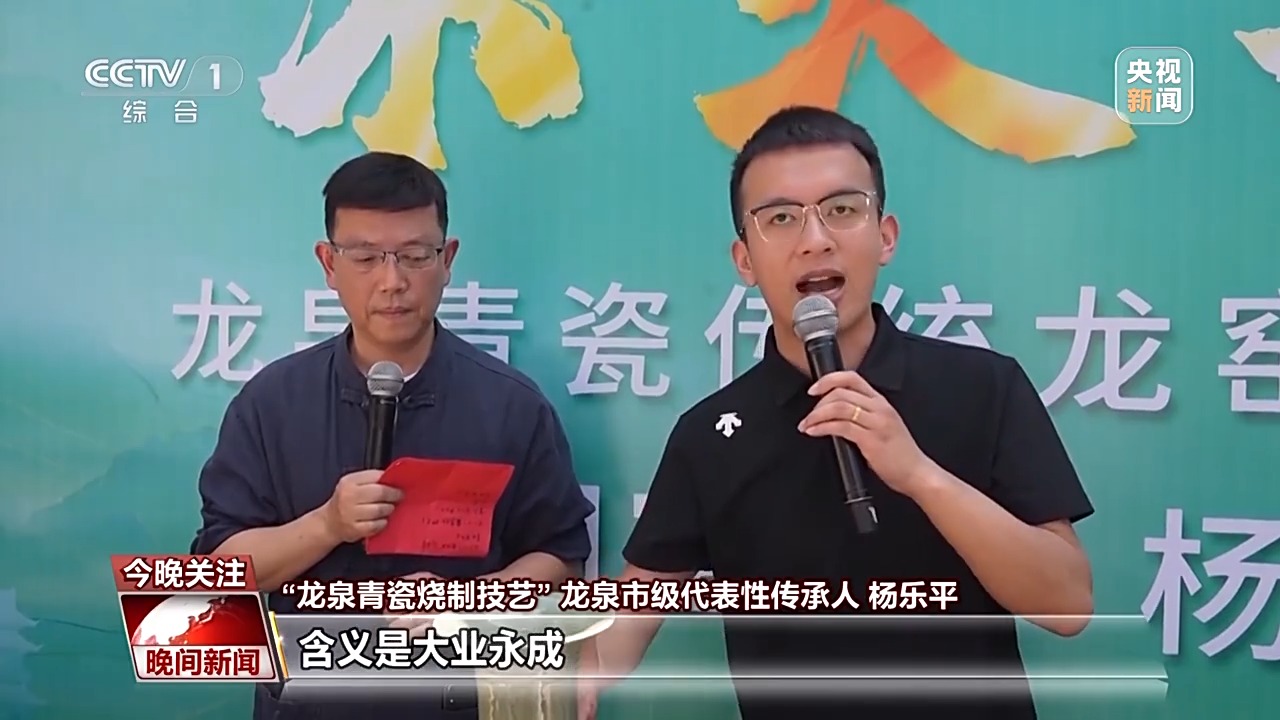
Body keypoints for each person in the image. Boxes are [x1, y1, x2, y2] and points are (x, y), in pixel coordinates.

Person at [578, 107, 1095, 720]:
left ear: (885, 235)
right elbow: (628, 617)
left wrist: (918, 475)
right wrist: (555, 670)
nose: (815, 239)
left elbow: (1068, 604)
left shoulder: (984, 387)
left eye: (843, 209)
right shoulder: (710, 435)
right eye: (780, 218)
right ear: (745, 260)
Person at [191, 151, 595, 720]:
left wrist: (473, 601)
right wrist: (326, 524)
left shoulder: (511, 406)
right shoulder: (271, 403)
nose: (392, 281)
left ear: (447, 259)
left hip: (456, 701)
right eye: (365, 257)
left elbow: (561, 556)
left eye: (415, 255)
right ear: (328, 263)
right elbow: (219, 574)